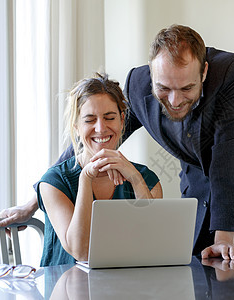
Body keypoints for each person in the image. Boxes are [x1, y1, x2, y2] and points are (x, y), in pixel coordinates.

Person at [0, 24, 234, 261]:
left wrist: (225, 238)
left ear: (203, 71)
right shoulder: (138, 86)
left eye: (186, 88)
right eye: (164, 89)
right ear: (151, 75)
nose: (174, 101)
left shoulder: (233, 74)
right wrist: (35, 199)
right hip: (204, 203)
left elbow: (229, 159)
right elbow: (96, 136)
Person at [35, 73, 162, 266]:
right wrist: (86, 177)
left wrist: (135, 178)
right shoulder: (53, 182)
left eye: (109, 118)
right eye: (89, 120)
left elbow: (155, 245)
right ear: (76, 126)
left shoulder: (146, 178)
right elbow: (81, 251)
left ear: (122, 120)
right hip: (66, 289)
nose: (101, 128)